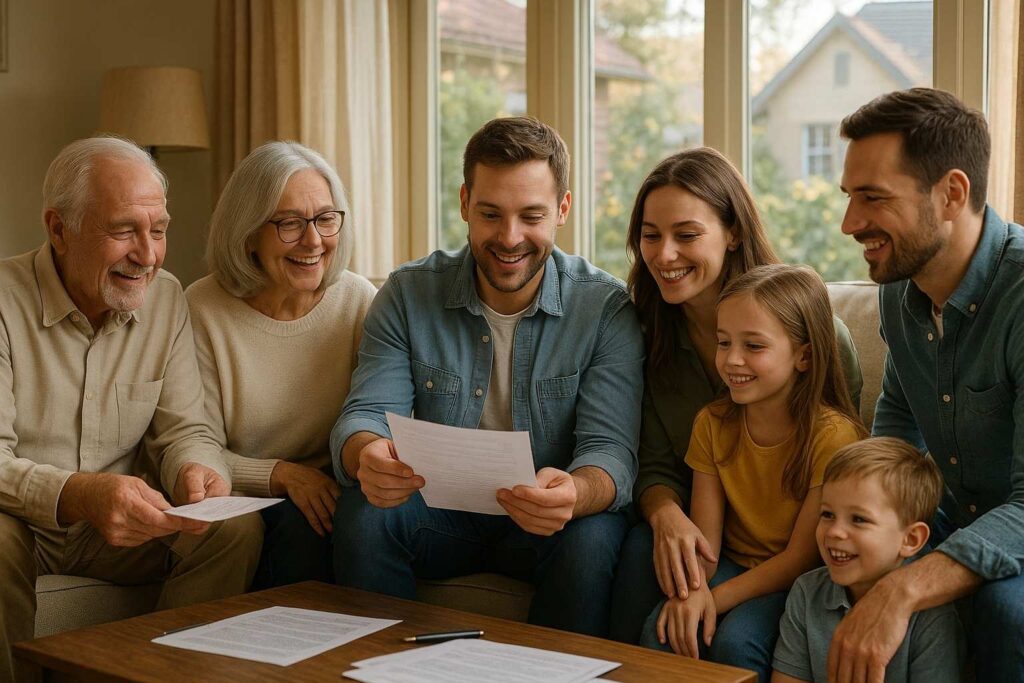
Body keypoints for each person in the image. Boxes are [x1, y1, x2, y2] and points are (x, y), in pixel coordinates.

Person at [330, 116, 644, 637]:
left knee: (594, 538)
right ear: (464, 204)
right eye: (491, 214)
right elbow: (365, 414)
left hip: (547, 524)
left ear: (563, 210)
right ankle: (386, 671)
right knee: (364, 514)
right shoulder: (408, 294)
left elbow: (610, 452)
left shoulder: (605, 309)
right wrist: (366, 453)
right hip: (438, 512)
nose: (510, 238)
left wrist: (576, 492)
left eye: (532, 216)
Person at [0, 137, 262, 682]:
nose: (147, 254)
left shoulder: (166, 299)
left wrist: (196, 470)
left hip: (119, 532)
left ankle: (166, 676)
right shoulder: (4, 302)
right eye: (124, 230)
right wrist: (79, 494)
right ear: (58, 229)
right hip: (21, 522)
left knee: (233, 532)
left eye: (159, 230)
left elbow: (185, 429)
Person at [610, 148, 863, 644]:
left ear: (734, 233)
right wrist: (667, 517)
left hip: (793, 547)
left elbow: (844, 470)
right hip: (705, 527)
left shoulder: (820, 339)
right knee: (644, 553)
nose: (663, 255)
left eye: (686, 235)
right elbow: (654, 464)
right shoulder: (643, 333)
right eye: (650, 235)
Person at [830, 87, 1024, 682]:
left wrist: (905, 587)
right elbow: (899, 417)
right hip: (950, 513)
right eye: (849, 197)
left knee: (1004, 610)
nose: (849, 224)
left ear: (952, 194)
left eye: (874, 198)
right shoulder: (899, 290)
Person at [637, 264, 865, 682]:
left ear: (804, 355)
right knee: (664, 628)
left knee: (735, 644)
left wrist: (714, 599)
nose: (732, 360)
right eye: (724, 343)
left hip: (799, 576)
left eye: (754, 346)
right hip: (729, 562)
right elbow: (707, 543)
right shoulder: (712, 423)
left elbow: (800, 557)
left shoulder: (833, 436)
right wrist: (692, 593)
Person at [186, 141, 376, 588]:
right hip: (245, 497)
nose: (313, 241)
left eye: (325, 219)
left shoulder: (357, 301)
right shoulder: (201, 309)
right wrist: (282, 475)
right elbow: (190, 444)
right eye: (289, 224)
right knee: (299, 526)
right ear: (248, 233)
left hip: (337, 491)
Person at [772, 437, 965, 683]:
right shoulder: (806, 593)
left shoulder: (932, 617)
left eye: (859, 519)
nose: (834, 532)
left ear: (911, 539)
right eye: (827, 514)